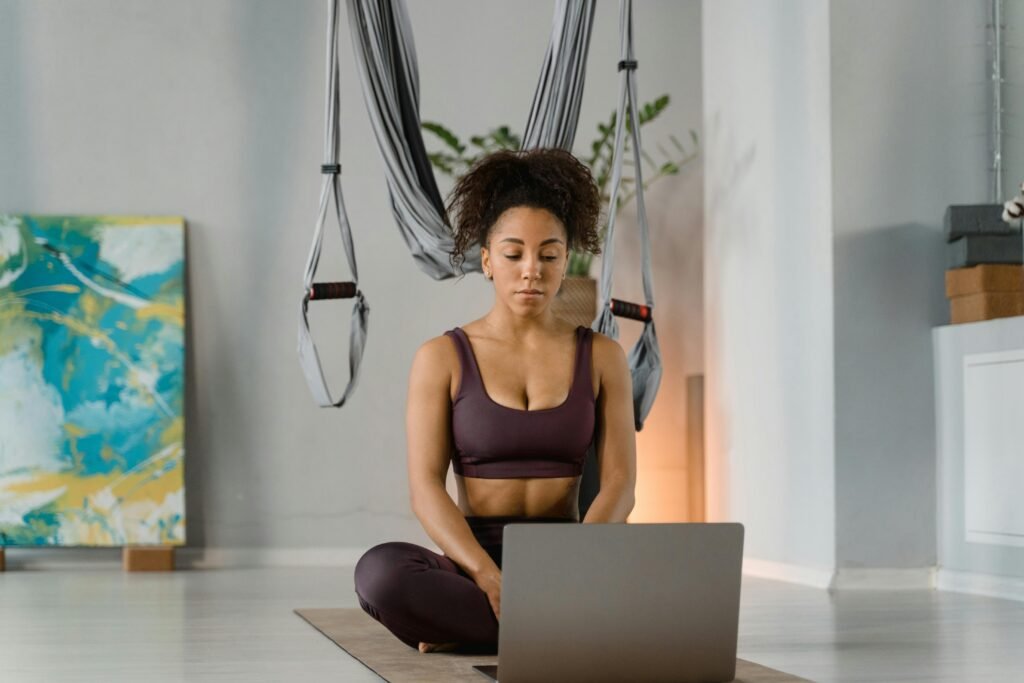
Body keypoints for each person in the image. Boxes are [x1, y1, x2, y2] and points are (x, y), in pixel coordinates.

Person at [352, 147, 637, 654]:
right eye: (513, 254)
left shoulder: (602, 356)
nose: (532, 269)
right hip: (471, 564)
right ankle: (550, 631)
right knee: (381, 573)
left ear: (565, 258)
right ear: (487, 260)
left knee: (661, 571)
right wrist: (487, 576)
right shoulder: (441, 357)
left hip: (570, 558)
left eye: (549, 255)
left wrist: (579, 565)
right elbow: (425, 489)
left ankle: (482, 630)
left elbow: (619, 483)